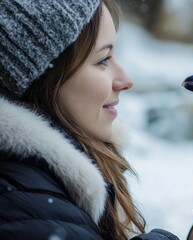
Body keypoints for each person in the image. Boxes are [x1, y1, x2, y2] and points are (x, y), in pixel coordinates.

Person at [0, 0, 179, 239]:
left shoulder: (36, 189)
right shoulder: (25, 208)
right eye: (103, 60)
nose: (126, 80)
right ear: (44, 79)